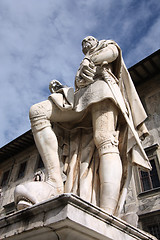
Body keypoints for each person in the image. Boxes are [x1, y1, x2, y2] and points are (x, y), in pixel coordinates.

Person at [29, 36, 151, 215]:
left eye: (90, 39)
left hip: (103, 90)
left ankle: (107, 212)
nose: (86, 41)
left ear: (96, 42)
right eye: (83, 42)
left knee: (105, 140)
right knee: (37, 112)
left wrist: (89, 59)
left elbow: (113, 53)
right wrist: (61, 87)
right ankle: (54, 182)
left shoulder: (106, 46)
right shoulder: (83, 62)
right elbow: (80, 87)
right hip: (80, 98)